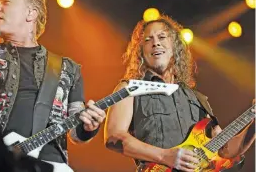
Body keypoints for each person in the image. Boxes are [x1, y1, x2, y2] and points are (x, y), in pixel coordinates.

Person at [104, 14, 255, 172]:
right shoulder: (129, 88)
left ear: (174, 47)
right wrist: (164, 156)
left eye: (162, 37)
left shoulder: (197, 99)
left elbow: (224, 150)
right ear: (141, 51)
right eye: (148, 40)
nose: (155, 43)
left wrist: (253, 126)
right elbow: (114, 137)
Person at [0, 0, 106, 172]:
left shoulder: (67, 68)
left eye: (5, 2)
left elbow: (75, 135)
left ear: (31, 13)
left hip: (50, 165)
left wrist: (89, 127)